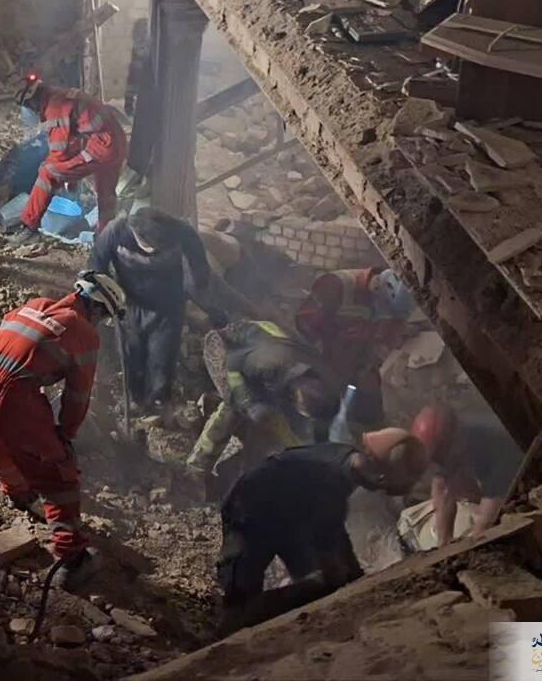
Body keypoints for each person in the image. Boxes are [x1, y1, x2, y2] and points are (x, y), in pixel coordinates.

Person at [0, 271, 127, 591]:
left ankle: (19, 492)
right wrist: (65, 435)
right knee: (59, 474)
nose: (101, 324)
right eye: (104, 317)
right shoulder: (83, 332)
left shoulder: (35, 305)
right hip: (12, 402)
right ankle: (73, 558)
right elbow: (77, 395)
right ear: (97, 308)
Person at [217, 430, 427, 630]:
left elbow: (333, 529)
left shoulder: (340, 461)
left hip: (290, 519)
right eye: (383, 481)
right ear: (379, 473)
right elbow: (329, 534)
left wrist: (352, 576)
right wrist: (344, 577)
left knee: (326, 584)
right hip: (250, 513)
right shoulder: (336, 480)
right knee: (239, 607)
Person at [90, 207, 233, 413]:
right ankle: (136, 399)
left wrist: (207, 303)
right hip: (130, 306)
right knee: (132, 356)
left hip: (168, 307)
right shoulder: (116, 232)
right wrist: (109, 301)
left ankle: (159, 400)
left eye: (161, 247)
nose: (155, 252)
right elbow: (96, 268)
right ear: (136, 233)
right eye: (150, 246)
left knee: (162, 357)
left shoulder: (182, 232)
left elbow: (199, 271)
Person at [187, 320, 341, 473]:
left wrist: (321, 454)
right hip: (228, 346)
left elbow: (319, 421)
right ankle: (199, 463)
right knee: (235, 408)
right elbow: (233, 363)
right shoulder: (266, 364)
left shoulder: (326, 382)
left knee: (276, 413)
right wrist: (249, 404)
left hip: (266, 344)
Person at [7, 76, 127, 246]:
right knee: (105, 193)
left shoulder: (55, 108)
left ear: (33, 100)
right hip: (116, 140)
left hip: (102, 146)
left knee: (47, 173)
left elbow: (60, 152)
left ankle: (29, 226)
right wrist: (71, 175)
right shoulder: (61, 96)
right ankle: (105, 238)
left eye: (27, 105)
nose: (30, 109)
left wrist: (60, 170)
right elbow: (75, 136)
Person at [295, 267, 414, 432]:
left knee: (370, 402)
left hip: (352, 359)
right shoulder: (334, 287)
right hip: (322, 363)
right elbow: (303, 326)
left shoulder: (385, 300)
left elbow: (392, 328)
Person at [412, 403, 521, 546]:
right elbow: (442, 490)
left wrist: (470, 547)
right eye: (437, 458)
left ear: (458, 437)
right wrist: (443, 543)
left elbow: (487, 519)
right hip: (484, 491)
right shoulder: (446, 448)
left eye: (443, 454)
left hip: (520, 481)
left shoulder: (495, 446)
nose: (441, 461)